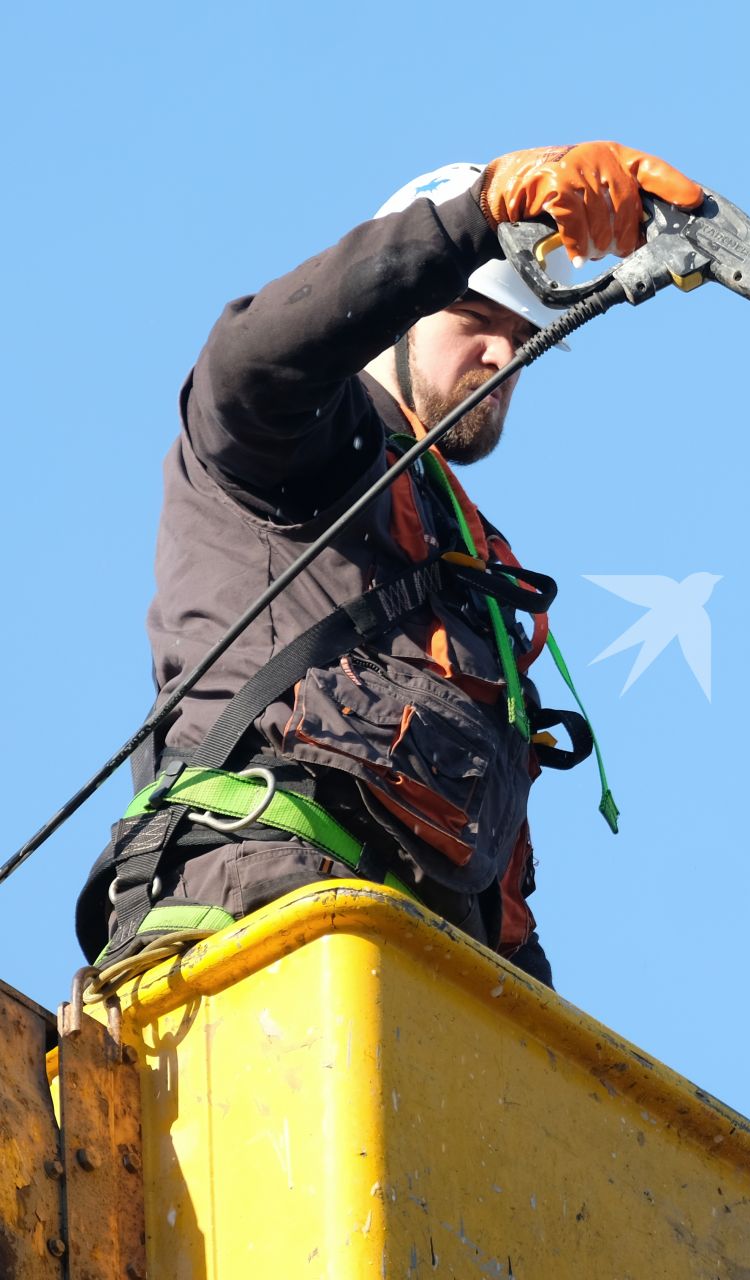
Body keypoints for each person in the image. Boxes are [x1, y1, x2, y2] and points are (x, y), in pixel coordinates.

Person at [76, 143, 704, 986]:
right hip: (256, 927)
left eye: (522, 336)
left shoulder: (460, 555)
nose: (503, 357)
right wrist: (476, 217)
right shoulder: (303, 452)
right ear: (398, 312)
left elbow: (492, 894)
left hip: (401, 974)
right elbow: (250, 365)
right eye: (478, 321)